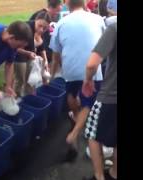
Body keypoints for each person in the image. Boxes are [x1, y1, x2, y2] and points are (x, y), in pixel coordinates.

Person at [49, 0, 104, 160]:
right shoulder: (97, 19)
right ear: (85, 3)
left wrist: (53, 74)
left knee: (72, 95)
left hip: (70, 69)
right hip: (92, 67)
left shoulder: (61, 23)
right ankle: (74, 133)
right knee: (89, 101)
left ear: (67, 4)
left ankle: (75, 117)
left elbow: (55, 55)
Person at [82, 22, 117, 180]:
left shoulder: (114, 28)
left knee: (92, 134)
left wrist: (87, 80)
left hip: (111, 95)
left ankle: (99, 175)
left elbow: (92, 64)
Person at [0, 21, 33, 99]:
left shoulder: (12, 41)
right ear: (11, 37)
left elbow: (9, 64)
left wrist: (8, 86)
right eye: (19, 45)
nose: (18, 48)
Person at [14, 11, 52, 97]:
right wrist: (28, 53)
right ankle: (17, 99)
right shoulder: (26, 28)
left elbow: (42, 47)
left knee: (30, 80)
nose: (41, 29)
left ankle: (29, 97)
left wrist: (45, 61)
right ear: (36, 20)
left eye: (45, 28)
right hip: (18, 55)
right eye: (40, 26)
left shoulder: (42, 30)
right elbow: (14, 47)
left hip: (29, 55)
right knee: (20, 80)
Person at [30, 0, 62, 65]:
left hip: (51, 52)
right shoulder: (38, 15)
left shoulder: (56, 17)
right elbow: (30, 32)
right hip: (40, 52)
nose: (58, 13)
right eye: (57, 11)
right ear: (50, 7)